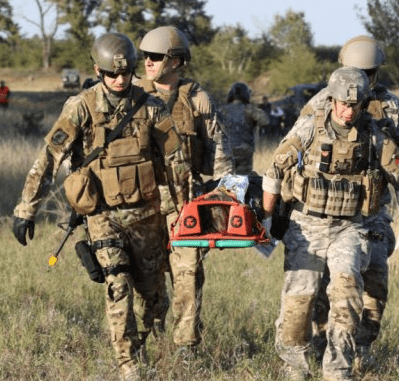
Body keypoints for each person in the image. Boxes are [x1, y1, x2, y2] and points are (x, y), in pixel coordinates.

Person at [11, 32, 191, 381]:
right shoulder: (81, 107)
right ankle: (128, 366)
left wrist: (183, 211)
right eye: (112, 74)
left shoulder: (150, 106)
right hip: (102, 215)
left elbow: (176, 158)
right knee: (117, 283)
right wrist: (25, 208)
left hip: (147, 214)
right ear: (98, 70)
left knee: (153, 296)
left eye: (126, 73)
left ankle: (156, 345)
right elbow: (49, 157)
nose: (120, 80)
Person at [262, 66, 399, 381]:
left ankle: (338, 369)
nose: (349, 111)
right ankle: (295, 366)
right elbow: (274, 172)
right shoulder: (309, 128)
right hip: (306, 226)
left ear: (363, 103)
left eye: (356, 105)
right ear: (332, 100)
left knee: (347, 298)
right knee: (299, 301)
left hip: (350, 229)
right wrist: (267, 219)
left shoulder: (374, 134)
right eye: (343, 104)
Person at [299, 34, 399, 372]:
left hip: (373, 212)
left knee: (375, 281)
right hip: (327, 211)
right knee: (324, 284)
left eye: (369, 73)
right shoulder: (322, 102)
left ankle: (362, 346)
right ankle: (324, 344)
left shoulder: (393, 106)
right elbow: (296, 149)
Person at [137, 25, 234, 354]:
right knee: (146, 278)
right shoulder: (132, 96)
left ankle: (186, 351)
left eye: (155, 56)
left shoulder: (198, 99)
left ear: (176, 61)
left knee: (188, 276)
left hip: (186, 203)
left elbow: (220, 155)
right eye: (145, 56)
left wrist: (222, 203)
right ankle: (149, 339)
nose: (147, 62)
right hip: (141, 203)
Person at [219, 82, 269, 175]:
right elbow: (265, 121)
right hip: (244, 151)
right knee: (242, 180)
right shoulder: (249, 109)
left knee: (226, 181)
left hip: (226, 151)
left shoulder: (222, 110)